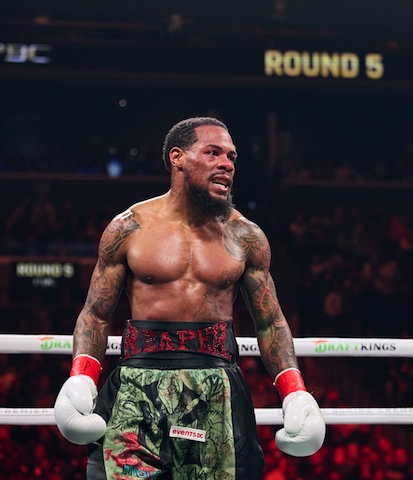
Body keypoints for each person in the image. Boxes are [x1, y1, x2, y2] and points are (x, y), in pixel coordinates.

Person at [53, 116, 325, 479]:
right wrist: (82, 376)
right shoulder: (129, 228)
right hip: (138, 383)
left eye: (231, 156)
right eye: (213, 153)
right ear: (177, 157)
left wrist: (294, 391)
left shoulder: (245, 236)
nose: (227, 164)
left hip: (216, 385)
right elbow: (96, 314)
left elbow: (270, 322)